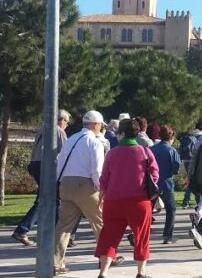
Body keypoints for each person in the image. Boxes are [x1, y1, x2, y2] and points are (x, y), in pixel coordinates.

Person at [95, 118, 159, 278]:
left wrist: (100, 198)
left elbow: (104, 179)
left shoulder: (112, 153)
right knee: (141, 237)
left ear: (122, 133)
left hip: (113, 202)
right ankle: (140, 273)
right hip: (139, 202)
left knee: (108, 237)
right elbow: (155, 175)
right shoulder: (145, 152)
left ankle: (103, 273)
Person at [53, 110, 107, 275]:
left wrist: (60, 182)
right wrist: (101, 189)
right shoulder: (94, 142)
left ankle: (56, 263)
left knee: (63, 226)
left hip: (65, 184)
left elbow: (59, 160)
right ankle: (106, 258)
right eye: (100, 126)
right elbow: (97, 170)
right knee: (100, 222)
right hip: (84, 185)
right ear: (95, 124)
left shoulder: (71, 139)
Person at [12, 109, 71, 246]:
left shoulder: (43, 129)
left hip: (36, 164)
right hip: (46, 166)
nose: (66, 125)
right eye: (66, 122)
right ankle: (23, 230)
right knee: (46, 199)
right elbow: (65, 152)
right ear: (61, 120)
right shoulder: (58, 131)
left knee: (52, 199)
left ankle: (56, 234)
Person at [151, 125, 181, 243]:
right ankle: (167, 235)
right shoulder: (171, 150)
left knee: (148, 209)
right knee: (171, 209)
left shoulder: (152, 149)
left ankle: (137, 232)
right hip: (166, 183)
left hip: (153, 183)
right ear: (171, 137)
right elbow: (176, 168)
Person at [180, 122, 202, 208]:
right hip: (194, 160)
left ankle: (188, 201)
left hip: (186, 160)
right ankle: (193, 201)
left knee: (191, 180)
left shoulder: (189, 136)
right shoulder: (201, 136)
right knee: (193, 181)